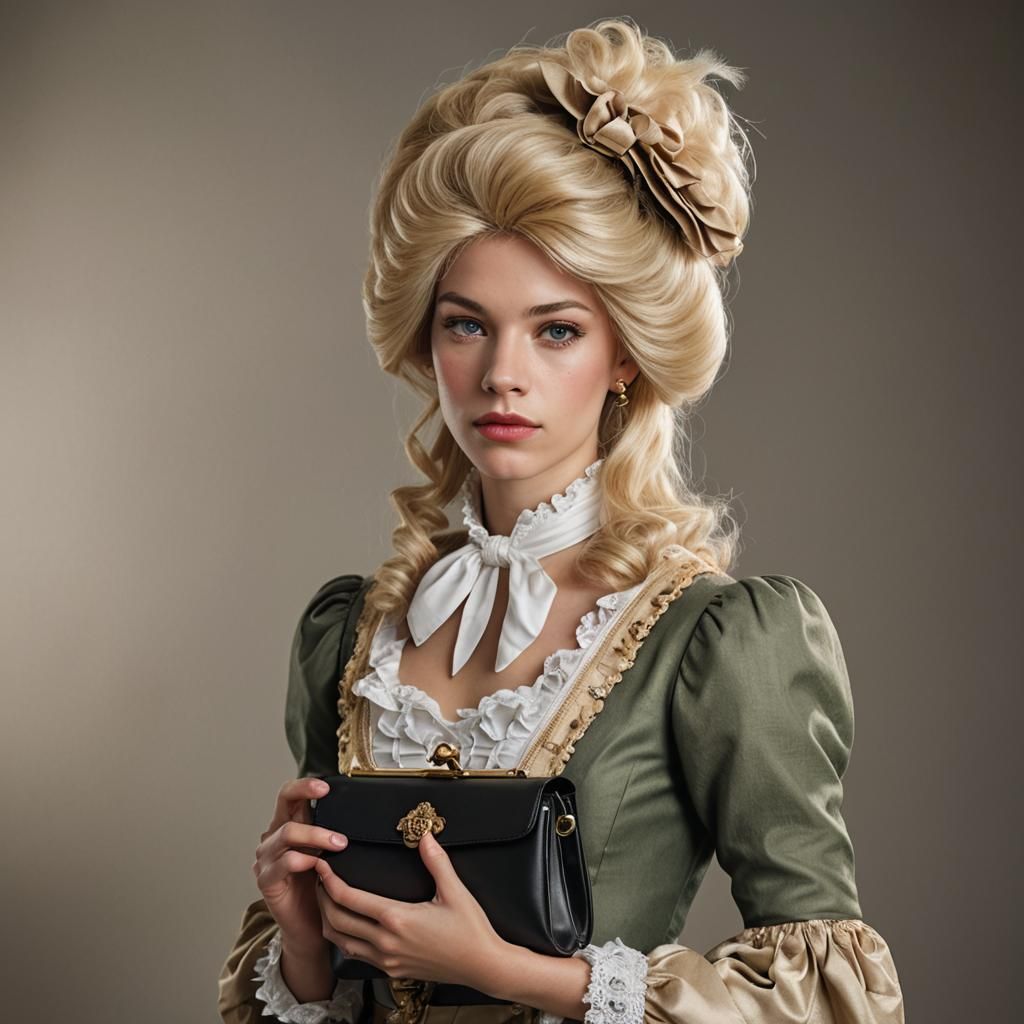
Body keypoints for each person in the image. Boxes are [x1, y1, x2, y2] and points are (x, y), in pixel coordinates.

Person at [218, 17, 906, 1024]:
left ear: (623, 353)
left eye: (556, 329)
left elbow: (829, 994)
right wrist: (304, 947)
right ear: (426, 336)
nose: (503, 373)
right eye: (467, 324)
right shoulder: (350, 636)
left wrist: (518, 973)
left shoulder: (720, 646)